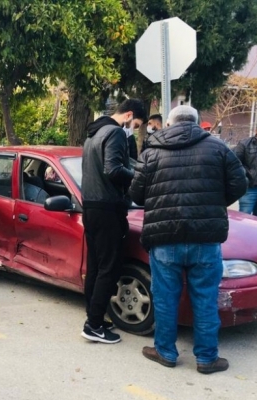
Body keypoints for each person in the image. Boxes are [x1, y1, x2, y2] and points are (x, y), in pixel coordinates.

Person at [129, 105, 247, 374]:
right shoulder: (219, 148)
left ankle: (165, 352)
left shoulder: (152, 151)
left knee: (165, 298)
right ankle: (207, 358)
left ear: (169, 124)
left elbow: (136, 195)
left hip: (164, 236)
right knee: (205, 299)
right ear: (196, 122)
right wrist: (213, 204)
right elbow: (240, 184)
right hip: (205, 237)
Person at [80, 98, 147, 344]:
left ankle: (93, 316)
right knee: (109, 268)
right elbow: (114, 169)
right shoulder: (115, 132)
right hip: (108, 208)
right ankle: (94, 326)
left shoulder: (93, 134)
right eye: (136, 124)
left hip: (91, 207)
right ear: (128, 115)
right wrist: (139, 175)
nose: (134, 129)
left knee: (96, 267)